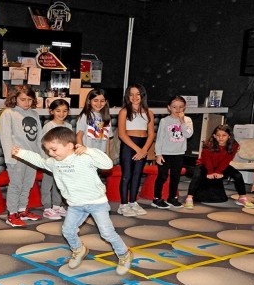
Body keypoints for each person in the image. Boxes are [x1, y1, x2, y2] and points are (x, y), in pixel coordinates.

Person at [12, 127, 133, 275]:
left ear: (69, 145)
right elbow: (40, 161)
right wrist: (21, 153)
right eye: (48, 150)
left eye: (54, 149)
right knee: (68, 231)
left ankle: (124, 253)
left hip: (97, 203)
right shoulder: (54, 162)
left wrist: (89, 150)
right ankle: (78, 249)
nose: (50, 153)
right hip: (76, 205)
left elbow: (107, 164)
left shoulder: (83, 157)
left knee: (107, 233)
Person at [0, 85, 43, 227]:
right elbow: (5, 137)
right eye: (23, 99)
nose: (27, 103)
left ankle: (22, 210)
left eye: (29, 99)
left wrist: (41, 156)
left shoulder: (34, 114)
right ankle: (12, 214)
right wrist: (10, 157)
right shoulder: (8, 113)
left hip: (32, 156)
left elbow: (39, 137)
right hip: (16, 157)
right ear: (15, 99)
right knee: (16, 185)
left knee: (28, 184)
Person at [184, 124, 254, 209]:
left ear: (229, 136)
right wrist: (210, 172)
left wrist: (218, 171)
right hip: (204, 165)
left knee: (238, 175)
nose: (221, 138)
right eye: (218, 135)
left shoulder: (234, 145)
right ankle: (189, 198)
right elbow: (207, 160)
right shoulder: (208, 144)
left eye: (224, 135)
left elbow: (227, 160)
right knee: (197, 175)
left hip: (221, 165)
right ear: (214, 136)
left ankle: (242, 198)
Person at [117, 84, 155, 217]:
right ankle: (123, 204)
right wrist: (138, 149)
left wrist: (144, 149)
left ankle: (133, 202)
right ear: (127, 96)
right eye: (131, 94)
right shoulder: (124, 112)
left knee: (137, 175)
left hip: (143, 146)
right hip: (129, 146)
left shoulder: (149, 113)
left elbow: (151, 134)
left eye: (137, 94)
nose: (134, 97)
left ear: (142, 95)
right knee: (126, 175)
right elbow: (122, 134)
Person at [152, 96, 194, 208]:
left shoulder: (187, 120)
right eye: (174, 107)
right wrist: (158, 154)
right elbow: (159, 138)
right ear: (169, 107)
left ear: (184, 107)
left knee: (175, 177)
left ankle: (172, 198)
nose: (178, 109)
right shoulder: (164, 121)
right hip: (165, 153)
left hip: (179, 153)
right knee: (163, 176)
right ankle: (157, 198)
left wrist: (182, 121)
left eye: (181, 107)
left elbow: (188, 134)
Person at [41, 99, 72, 220]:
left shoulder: (68, 126)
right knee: (47, 184)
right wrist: (48, 159)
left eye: (65, 111)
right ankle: (47, 208)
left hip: (63, 161)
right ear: (51, 111)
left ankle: (56, 206)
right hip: (50, 161)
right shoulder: (48, 126)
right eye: (58, 111)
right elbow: (44, 144)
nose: (61, 113)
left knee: (59, 184)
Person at [75, 88, 111, 157]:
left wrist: (108, 157)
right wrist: (82, 154)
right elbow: (79, 136)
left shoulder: (106, 117)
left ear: (106, 102)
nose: (99, 103)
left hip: (101, 154)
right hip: (87, 154)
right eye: (95, 100)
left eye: (102, 101)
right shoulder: (85, 116)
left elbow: (107, 139)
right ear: (89, 101)